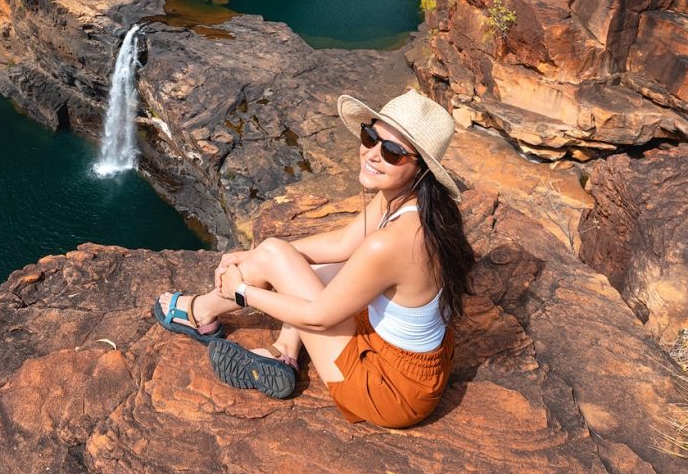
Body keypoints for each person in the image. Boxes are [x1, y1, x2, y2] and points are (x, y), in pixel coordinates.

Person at [155, 88, 475, 429]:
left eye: (393, 152)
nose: (373, 154)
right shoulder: (413, 200)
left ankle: (202, 312)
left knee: (283, 257)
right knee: (300, 260)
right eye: (371, 136)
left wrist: (243, 292)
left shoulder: (394, 242)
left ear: (421, 168)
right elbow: (342, 244)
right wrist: (258, 255)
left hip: (388, 390)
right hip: (409, 360)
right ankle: (283, 351)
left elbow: (319, 317)